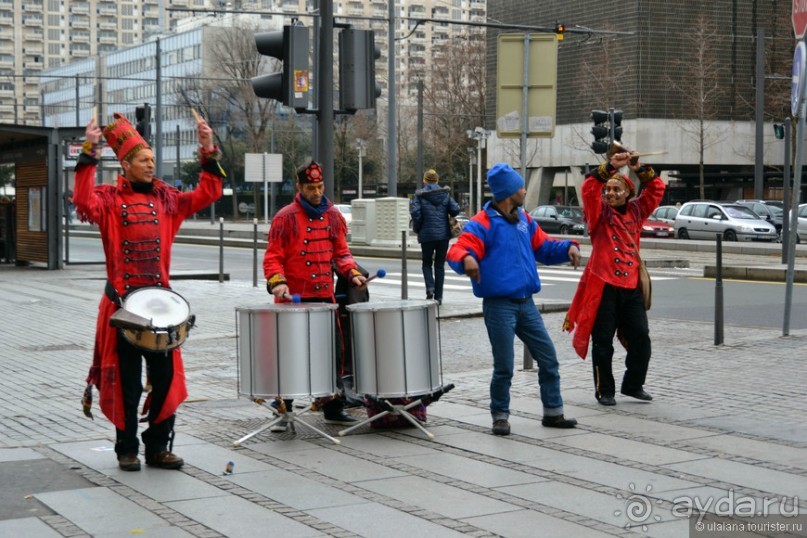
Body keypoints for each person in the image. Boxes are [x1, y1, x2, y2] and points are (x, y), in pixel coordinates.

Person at [75, 112, 224, 471]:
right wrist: (89, 151)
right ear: (125, 164)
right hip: (123, 307)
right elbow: (82, 201)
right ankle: (126, 448)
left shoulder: (167, 200)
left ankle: (158, 447)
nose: (150, 165)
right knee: (126, 383)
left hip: (160, 307)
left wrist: (207, 148)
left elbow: (209, 191)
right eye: (144, 160)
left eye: (152, 160)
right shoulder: (109, 199)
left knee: (165, 380)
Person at [447, 163, 581, 436]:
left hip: (526, 303)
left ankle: (553, 413)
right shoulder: (482, 223)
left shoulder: (524, 220)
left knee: (549, 359)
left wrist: (569, 247)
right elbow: (459, 248)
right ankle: (500, 416)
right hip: (499, 306)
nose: (524, 189)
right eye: (520, 186)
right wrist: (467, 258)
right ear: (509, 191)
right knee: (504, 366)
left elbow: (544, 247)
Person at [263, 160, 368, 431]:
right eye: (311, 187)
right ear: (299, 187)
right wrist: (278, 283)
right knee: (290, 354)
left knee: (330, 353)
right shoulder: (285, 217)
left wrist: (352, 273)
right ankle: (283, 411)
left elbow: (342, 254)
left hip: (324, 297)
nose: (317, 192)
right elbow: (273, 257)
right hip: (294, 299)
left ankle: (332, 407)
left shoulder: (333, 216)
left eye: (320, 186)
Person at [563, 150, 665, 406]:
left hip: (631, 288)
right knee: (602, 342)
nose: (609, 194)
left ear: (628, 193)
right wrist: (610, 166)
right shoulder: (599, 215)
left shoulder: (637, 212)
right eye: (607, 190)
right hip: (604, 287)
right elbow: (589, 188)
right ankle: (604, 389)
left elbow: (655, 188)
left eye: (616, 190)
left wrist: (637, 166)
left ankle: (633, 384)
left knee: (641, 337)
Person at [410, 169, 460, 304]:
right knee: (439, 265)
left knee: (426, 263)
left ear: (425, 181)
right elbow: (455, 209)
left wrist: (417, 228)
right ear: (437, 181)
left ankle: (430, 288)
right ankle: (439, 296)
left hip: (426, 235)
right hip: (443, 235)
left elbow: (415, 213)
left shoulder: (419, 195)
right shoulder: (445, 195)